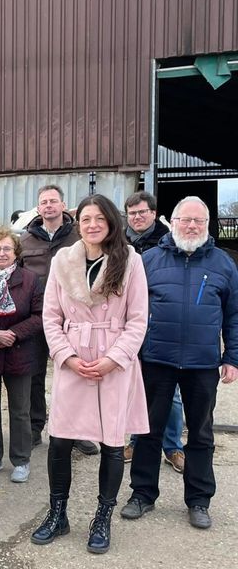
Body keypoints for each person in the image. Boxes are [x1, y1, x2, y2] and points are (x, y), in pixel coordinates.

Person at [31, 194, 149, 554]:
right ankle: (58, 513)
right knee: (61, 439)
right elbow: (51, 317)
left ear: (111, 222)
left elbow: (138, 319)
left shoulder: (130, 261)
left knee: (113, 442)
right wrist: (66, 356)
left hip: (114, 363)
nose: (93, 224)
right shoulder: (63, 261)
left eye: (99, 218)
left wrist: (116, 358)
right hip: (73, 361)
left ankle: (103, 517)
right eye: (85, 219)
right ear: (77, 223)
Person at [121, 196, 238, 530]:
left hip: (202, 365)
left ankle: (199, 500)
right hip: (156, 359)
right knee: (147, 431)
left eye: (198, 221)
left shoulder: (223, 264)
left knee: (200, 434)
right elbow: (131, 312)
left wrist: (232, 357)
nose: (191, 226)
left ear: (207, 225)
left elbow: (234, 315)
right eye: (185, 220)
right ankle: (142, 494)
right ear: (173, 221)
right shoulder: (150, 261)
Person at [20, 185, 98, 455]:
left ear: (64, 205)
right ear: (38, 208)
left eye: (54, 201)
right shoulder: (26, 241)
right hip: (37, 318)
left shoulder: (80, 236)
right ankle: (34, 426)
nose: (49, 206)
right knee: (35, 375)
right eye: (44, 202)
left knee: (75, 374)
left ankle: (77, 431)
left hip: (74, 319)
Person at [122, 191, 184, 472]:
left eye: (142, 212)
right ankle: (137, 440)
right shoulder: (120, 242)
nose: (137, 218)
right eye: (132, 213)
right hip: (131, 322)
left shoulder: (170, 242)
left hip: (162, 323)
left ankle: (172, 447)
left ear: (153, 213)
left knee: (170, 391)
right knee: (139, 386)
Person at [0, 227, 43, 483]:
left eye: (7, 248)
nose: (1, 253)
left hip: (20, 351)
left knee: (20, 409)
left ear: (16, 252)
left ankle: (21, 460)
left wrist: (13, 333)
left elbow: (39, 316)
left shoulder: (30, 279)